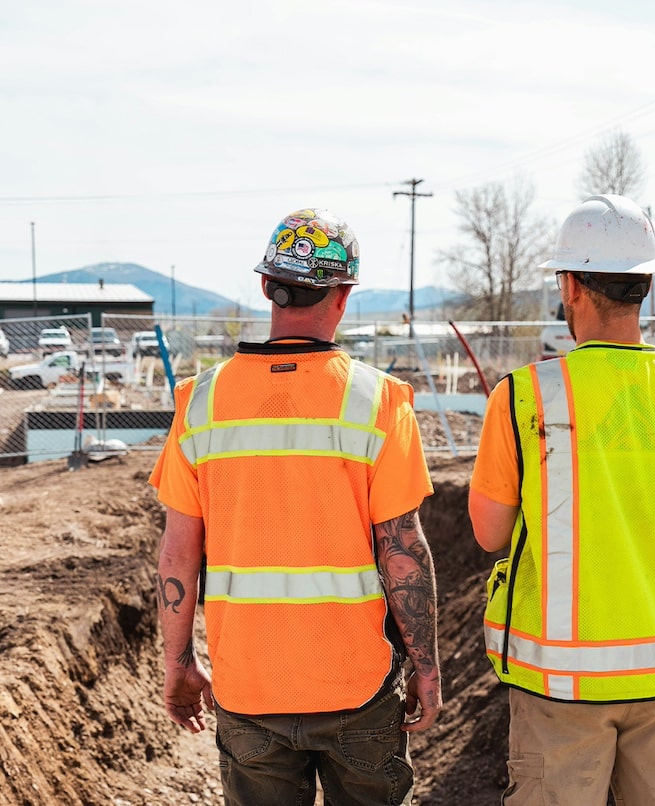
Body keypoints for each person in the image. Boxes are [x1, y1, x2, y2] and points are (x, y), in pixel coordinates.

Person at [150, 207, 441, 806]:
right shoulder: (379, 401)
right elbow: (402, 548)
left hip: (248, 690)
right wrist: (427, 668)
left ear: (266, 286)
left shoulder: (199, 403)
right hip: (357, 688)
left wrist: (175, 664)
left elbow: (178, 553)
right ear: (344, 294)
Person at [468, 195, 655, 805]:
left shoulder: (524, 396)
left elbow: (489, 533)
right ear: (646, 285)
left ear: (570, 286)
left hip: (561, 687)